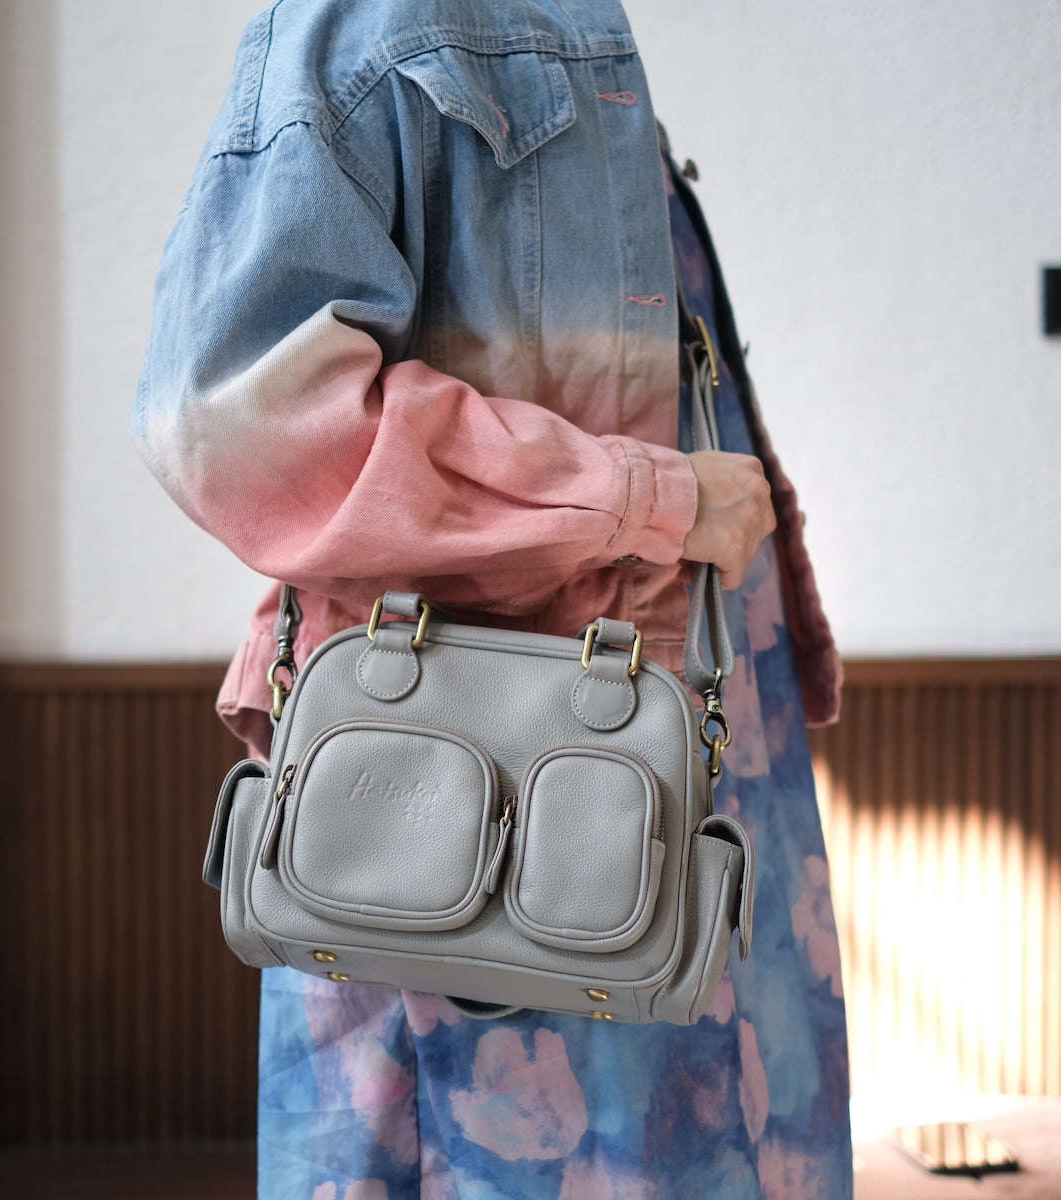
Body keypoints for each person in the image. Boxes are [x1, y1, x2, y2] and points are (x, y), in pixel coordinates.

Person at [134, 0, 852, 1195]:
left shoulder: (550, 27)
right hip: (501, 795)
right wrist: (646, 499)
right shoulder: (375, 26)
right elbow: (238, 420)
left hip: (669, 722)